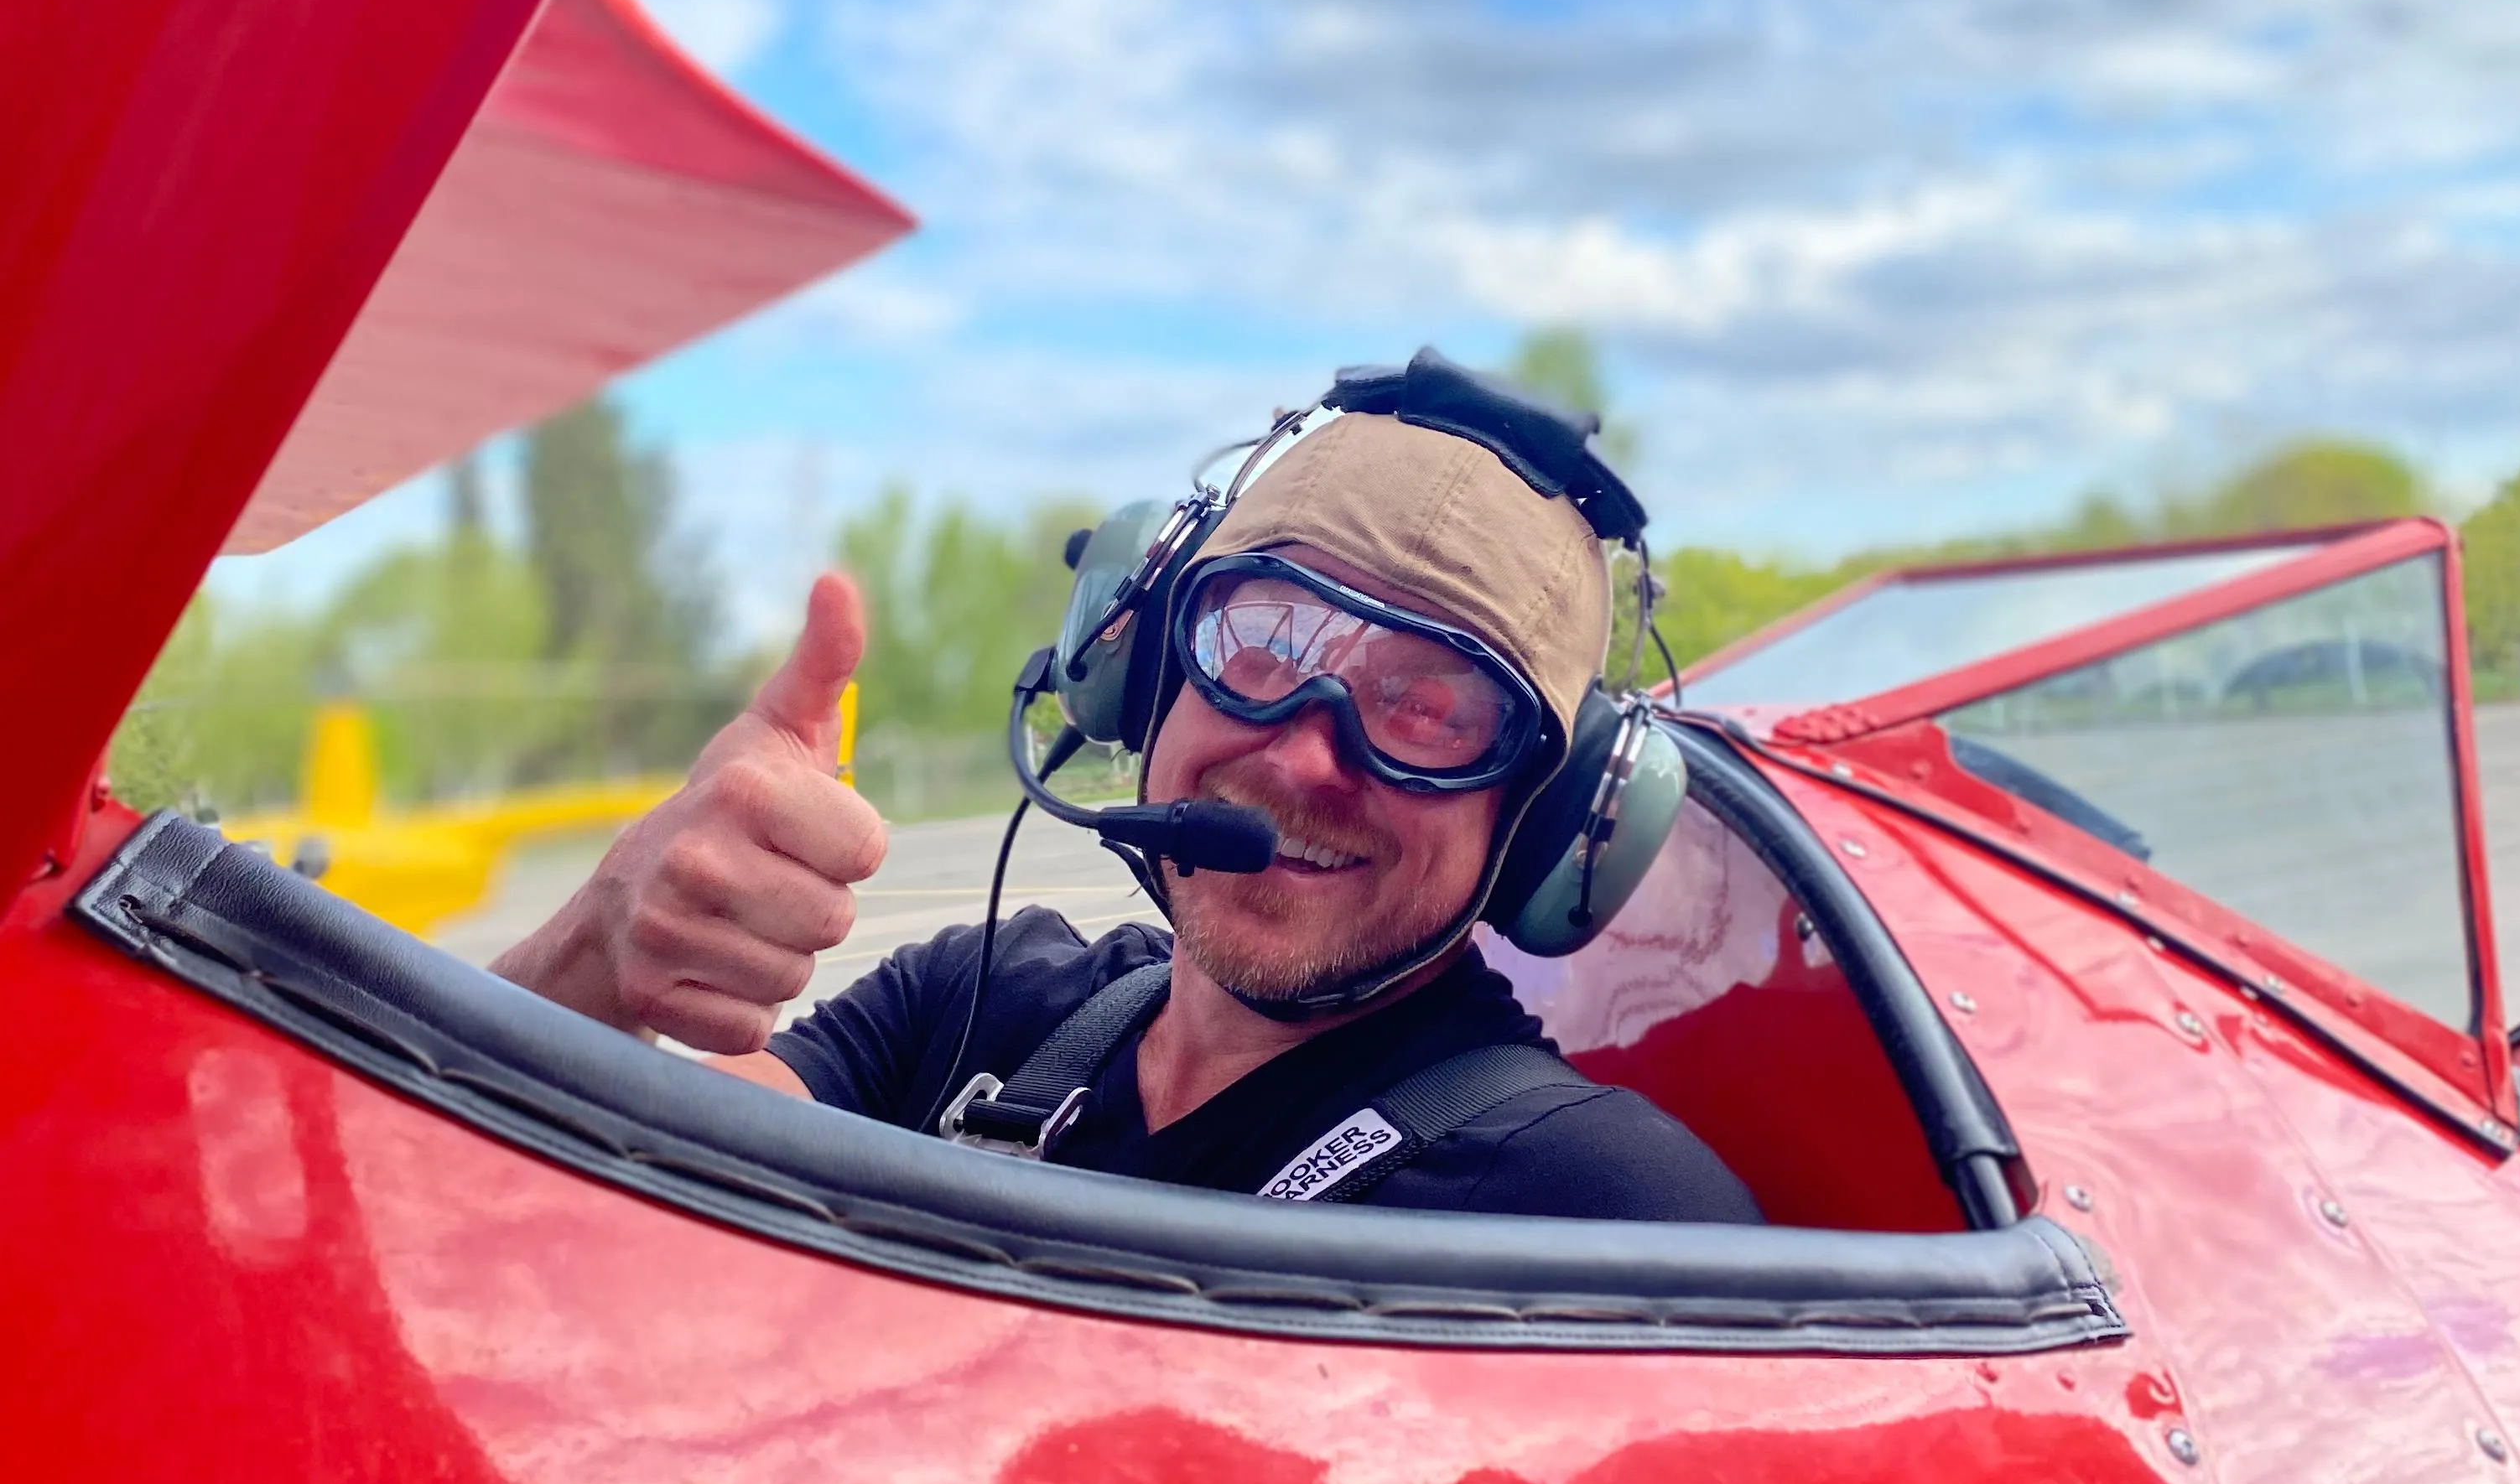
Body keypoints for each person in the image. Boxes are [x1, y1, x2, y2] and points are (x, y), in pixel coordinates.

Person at [493, 396, 1758, 1222]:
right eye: (1262, 635)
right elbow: (550, 1215)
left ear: (1539, 821)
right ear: (1140, 661)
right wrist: (600, 948)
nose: (1311, 758)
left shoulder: (1604, 1210)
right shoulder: (974, 1001)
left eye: (1432, 706)